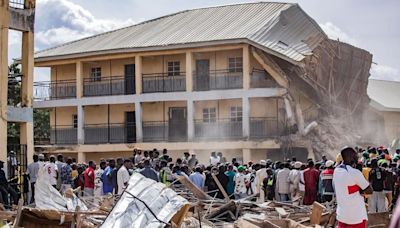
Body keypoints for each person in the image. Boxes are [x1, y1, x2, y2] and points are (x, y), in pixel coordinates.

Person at [333, 147, 372, 228]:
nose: (357, 157)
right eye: (355, 155)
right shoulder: (354, 172)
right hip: (356, 216)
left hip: (342, 215)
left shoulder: (336, 171)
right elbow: (369, 190)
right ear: (350, 157)